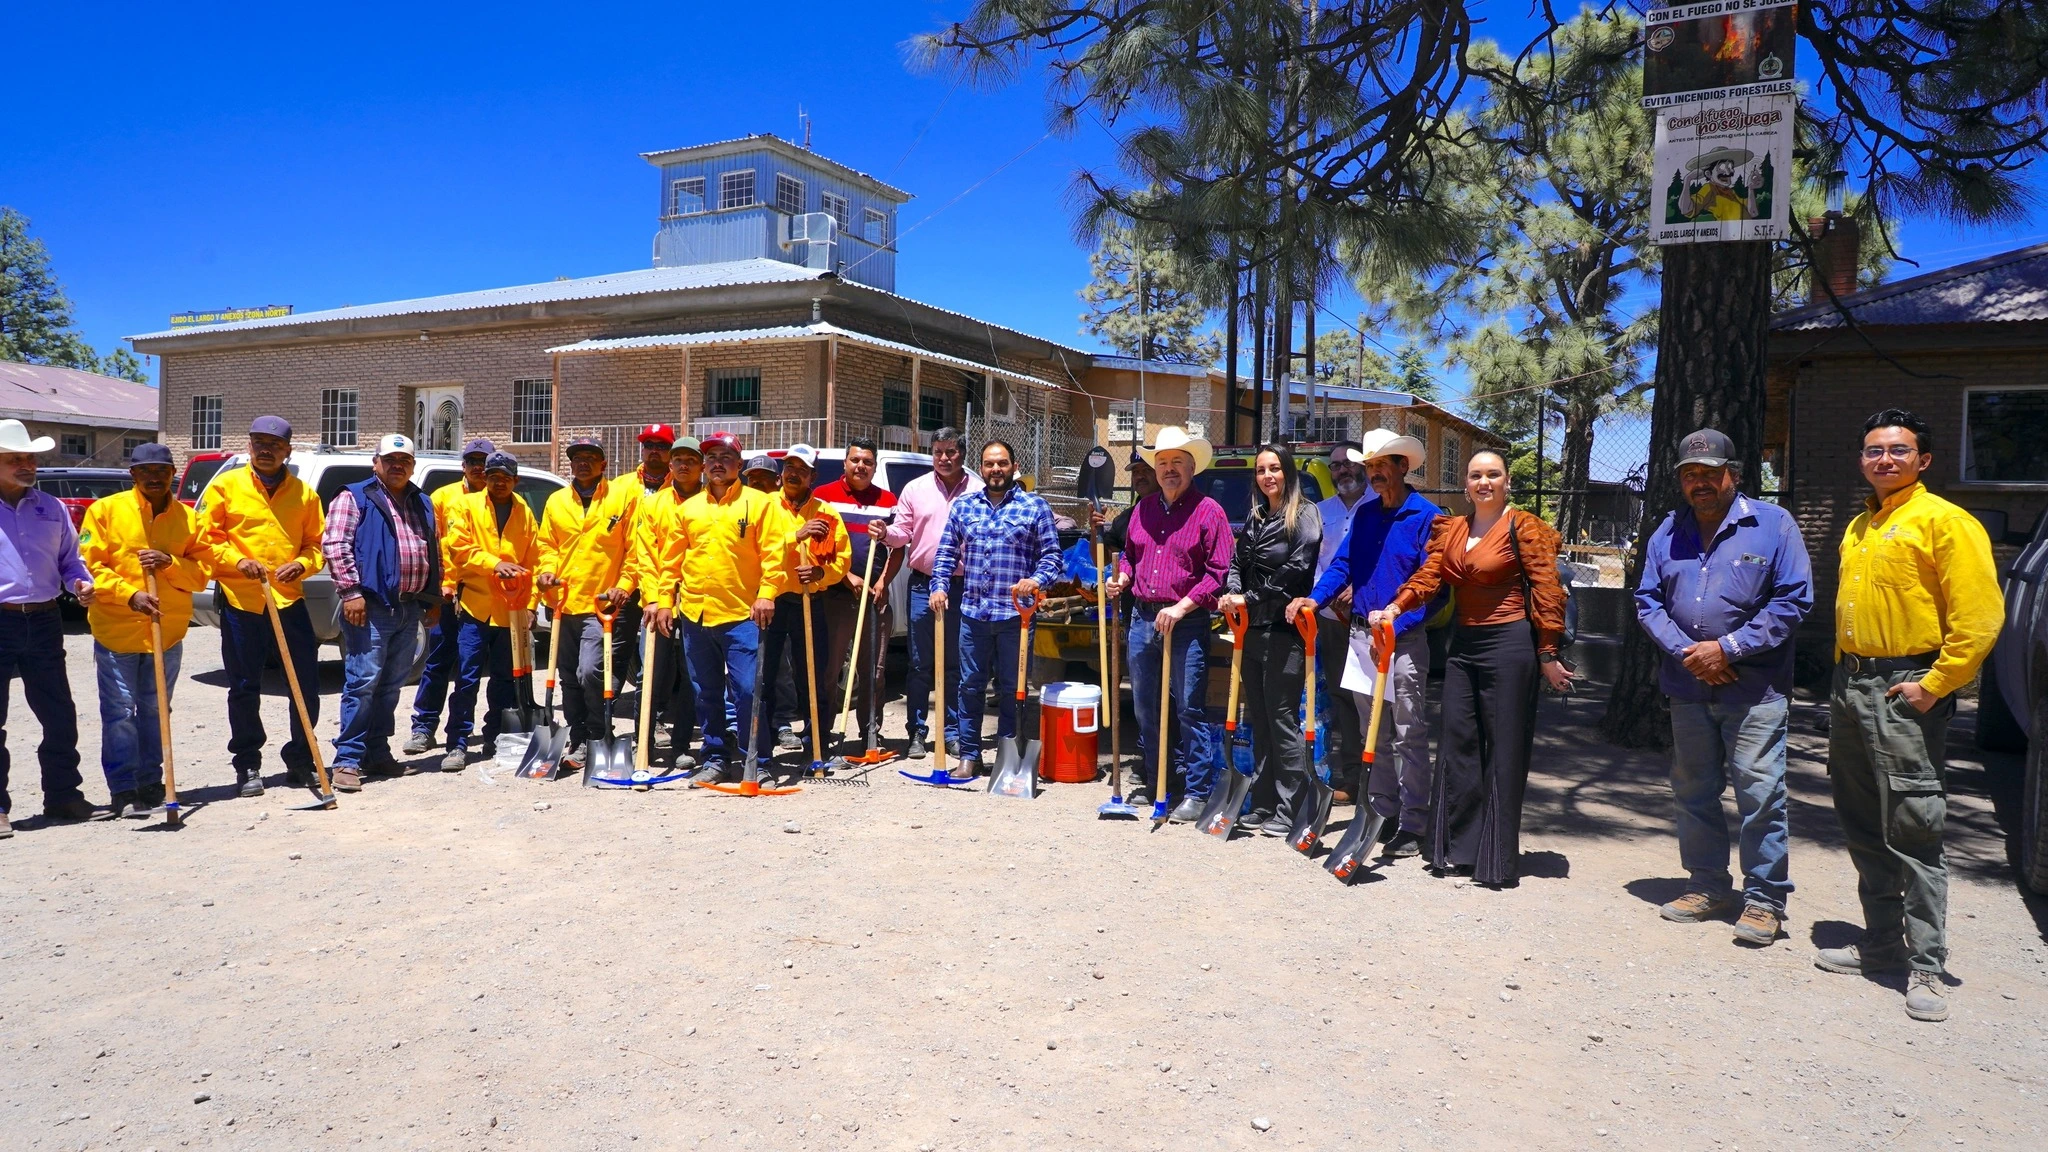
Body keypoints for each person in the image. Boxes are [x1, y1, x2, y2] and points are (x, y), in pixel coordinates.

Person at [1815, 409, 2002, 1023]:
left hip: (1905, 691)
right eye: (1874, 451)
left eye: (1898, 450)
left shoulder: (1946, 522)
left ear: (1923, 460)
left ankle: (1926, 963)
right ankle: (1880, 945)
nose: (1884, 460)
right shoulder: (1860, 526)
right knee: (1863, 821)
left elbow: (1978, 620)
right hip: (1852, 686)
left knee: (1914, 827)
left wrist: (1934, 685)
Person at [1634, 428, 1813, 947]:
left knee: (1760, 795)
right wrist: (1690, 654)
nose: (1700, 483)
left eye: (1711, 473)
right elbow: (1648, 601)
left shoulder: (1773, 525)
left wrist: (1728, 649)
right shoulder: (1666, 532)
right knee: (1693, 790)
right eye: (1690, 475)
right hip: (1688, 686)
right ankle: (1707, 885)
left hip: (1755, 691)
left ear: (1733, 473)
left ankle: (1764, 900)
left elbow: (1793, 601)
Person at [1374, 450, 1571, 886]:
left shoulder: (1524, 527)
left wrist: (1548, 652)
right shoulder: (1455, 528)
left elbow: (1547, 590)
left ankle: (1496, 858)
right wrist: (1395, 606)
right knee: (1457, 742)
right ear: (1466, 483)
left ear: (1506, 483)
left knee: (1502, 749)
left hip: (1511, 644)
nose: (1484, 482)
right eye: (1476, 475)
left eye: (1493, 475)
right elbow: (1429, 577)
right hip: (1463, 645)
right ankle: (1457, 850)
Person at [1290, 429, 1441, 857]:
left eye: (1380, 467)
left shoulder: (1427, 517)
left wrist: (1398, 619)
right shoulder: (1368, 515)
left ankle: (1413, 823)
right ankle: (1380, 811)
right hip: (1361, 638)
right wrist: (1314, 599)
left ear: (1402, 468)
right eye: (1369, 467)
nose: (1373, 474)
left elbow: (1436, 587)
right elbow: (1342, 566)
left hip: (1403, 640)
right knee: (1369, 729)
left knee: (1408, 732)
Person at [1103, 427, 1233, 820]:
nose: (1169, 469)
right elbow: (1130, 555)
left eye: (1177, 462)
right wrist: (1122, 577)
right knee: (1145, 706)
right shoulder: (1143, 510)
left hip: (1187, 622)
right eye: (1162, 463)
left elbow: (1218, 573)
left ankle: (1196, 789)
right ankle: (1160, 778)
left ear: (1192, 468)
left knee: (1188, 707)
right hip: (1142, 617)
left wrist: (1181, 607)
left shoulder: (1210, 511)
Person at [78, 443, 210, 819]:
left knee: (156, 709)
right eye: (146, 471)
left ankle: (152, 782)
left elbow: (202, 574)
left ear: (173, 474)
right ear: (133, 475)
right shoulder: (105, 511)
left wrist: (169, 563)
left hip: (166, 631)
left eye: (162, 471)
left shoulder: (189, 519)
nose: (155, 477)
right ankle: (123, 788)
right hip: (116, 629)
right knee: (119, 711)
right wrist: (129, 594)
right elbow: (89, 568)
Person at [199, 416, 325, 798]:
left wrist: (302, 564)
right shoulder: (226, 486)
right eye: (258, 442)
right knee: (243, 685)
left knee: (304, 685)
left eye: (274, 444)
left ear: (288, 449)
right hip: (242, 600)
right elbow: (204, 539)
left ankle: (301, 760)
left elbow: (316, 547)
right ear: (249, 445)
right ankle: (248, 763)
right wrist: (236, 561)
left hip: (288, 600)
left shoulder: (304, 494)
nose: (265, 449)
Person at [649, 433, 784, 783]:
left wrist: (767, 593)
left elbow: (774, 555)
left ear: (739, 464)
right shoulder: (689, 508)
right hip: (696, 613)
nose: (718, 463)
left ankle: (759, 760)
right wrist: (665, 601)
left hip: (743, 615)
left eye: (726, 456)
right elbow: (671, 560)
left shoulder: (760, 504)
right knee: (705, 692)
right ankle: (714, 757)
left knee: (748, 691)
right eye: (711, 457)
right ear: (704, 465)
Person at [929, 440, 1062, 775]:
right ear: (981, 468)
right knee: (969, 685)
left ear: (1014, 467)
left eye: (1002, 463)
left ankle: (1007, 756)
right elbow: (945, 553)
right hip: (973, 612)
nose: (995, 470)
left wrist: (1035, 580)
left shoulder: (1035, 507)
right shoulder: (964, 506)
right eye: (989, 464)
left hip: (1016, 615)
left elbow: (1052, 557)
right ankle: (969, 756)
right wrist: (940, 586)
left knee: (1011, 687)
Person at [323, 434, 442, 791]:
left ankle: (376, 752)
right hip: (370, 606)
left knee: (391, 686)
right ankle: (347, 759)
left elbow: (431, 550)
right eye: (390, 459)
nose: (397, 466)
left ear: (412, 465)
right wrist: (350, 593)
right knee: (362, 684)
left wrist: (432, 599)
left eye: (403, 461)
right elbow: (335, 545)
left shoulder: (421, 501)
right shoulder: (355, 496)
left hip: (409, 606)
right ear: (376, 463)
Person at [1218, 445, 1322, 836]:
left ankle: (1292, 805)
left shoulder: (1305, 514)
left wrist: (1252, 597)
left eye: (1275, 468)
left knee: (1281, 719)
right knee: (1259, 719)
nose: (1268, 476)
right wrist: (1231, 591)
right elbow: (1235, 561)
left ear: (1288, 472)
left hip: (1285, 631)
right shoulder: (1257, 515)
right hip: (1251, 631)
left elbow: (1298, 567)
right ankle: (1262, 802)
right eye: (1262, 470)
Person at [0, 418, 97, 832]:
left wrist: (81, 581)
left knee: (59, 713)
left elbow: (69, 559)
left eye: (30, 457)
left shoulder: (52, 508)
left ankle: (63, 794)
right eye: (15, 458)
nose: (27, 464)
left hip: (43, 619)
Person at [535, 437, 639, 768]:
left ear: (603, 464)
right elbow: (546, 545)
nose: (583, 462)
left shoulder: (622, 498)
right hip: (564, 601)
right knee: (566, 675)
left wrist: (624, 585)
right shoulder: (556, 501)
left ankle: (598, 731)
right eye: (577, 457)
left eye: (590, 457)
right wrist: (547, 571)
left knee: (591, 671)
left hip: (602, 603)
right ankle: (577, 736)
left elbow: (635, 549)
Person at [881, 426, 980, 759]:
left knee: (955, 665)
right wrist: (885, 533)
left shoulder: (979, 489)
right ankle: (917, 733)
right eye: (938, 451)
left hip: (963, 587)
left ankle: (950, 733)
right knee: (921, 664)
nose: (944, 458)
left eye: (951, 451)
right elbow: (902, 532)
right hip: (923, 584)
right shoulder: (915, 488)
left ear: (962, 453)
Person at [441, 452, 540, 770]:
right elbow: (459, 548)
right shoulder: (466, 506)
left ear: (515, 481)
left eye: (505, 478)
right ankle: (457, 744)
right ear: (485, 477)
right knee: (467, 679)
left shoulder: (524, 513)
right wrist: (495, 564)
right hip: (476, 606)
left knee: (504, 680)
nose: (499, 482)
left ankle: (495, 737)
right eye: (493, 476)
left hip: (511, 611)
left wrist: (532, 605)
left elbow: (534, 562)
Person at [754, 444, 849, 766]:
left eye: (802, 469)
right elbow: (753, 548)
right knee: (763, 675)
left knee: (813, 676)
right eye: (789, 466)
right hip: (771, 601)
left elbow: (841, 560)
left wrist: (823, 572)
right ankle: (762, 751)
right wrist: (796, 535)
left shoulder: (826, 513)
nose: (794, 473)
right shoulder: (762, 506)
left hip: (811, 601)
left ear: (813, 476)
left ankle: (816, 747)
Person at [404, 438, 493, 756]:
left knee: (469, 669)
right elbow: (432, 545)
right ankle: (424, 727)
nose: (479, 467)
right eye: (473, 461)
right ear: (463, 466)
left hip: (482, 599)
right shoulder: (443, 497)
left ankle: (460, 735)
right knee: (437, 662)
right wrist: (437, 591)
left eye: (484, 461)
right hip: (446, 594)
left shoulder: (498, 498)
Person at [815, 437, 901, 750]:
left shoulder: (888, 500)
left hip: (875, 599)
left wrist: (883, 582)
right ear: (845, 463)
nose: (860, 466)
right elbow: (817, 548)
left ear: (874, 467)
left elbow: (897, 546)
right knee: (830, 668)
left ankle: (870, 735)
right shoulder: (824, 498)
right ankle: (823, 735)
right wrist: (845, 575)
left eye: (867, 461)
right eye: (855, 460)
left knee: (873, 672)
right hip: (836, 596)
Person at [629, 436, 703, 763]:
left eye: (691, 459)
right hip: (659, 602)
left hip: (698, 603)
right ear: (670, 466)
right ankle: (641, 742)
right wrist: (654, 600)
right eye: (679, 460)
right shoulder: (653, 505)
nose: (684, 465)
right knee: (650, 674)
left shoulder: (711, 504)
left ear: (701, 466)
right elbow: (644, 555)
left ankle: (682, 745)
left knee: (691, 674)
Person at [1310, 442, 1369, 801]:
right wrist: (1322, 596)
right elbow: (1314, 561)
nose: (1341, 471)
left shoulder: (1379, 506)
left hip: (1368, 620)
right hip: (1331, 619)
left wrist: (1357, 589)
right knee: (1341, 697)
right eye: (1335, 466)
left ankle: (1377, 780)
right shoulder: (1319, 511)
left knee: (1370, 700)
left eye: (1348, 464)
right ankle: (1351, 779)